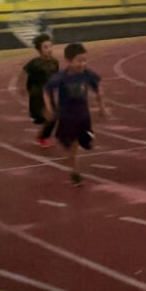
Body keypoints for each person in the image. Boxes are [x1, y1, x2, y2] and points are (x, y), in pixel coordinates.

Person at [44, 43, 108, 186]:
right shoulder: (61, 77)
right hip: (67, 117)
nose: (82, 64)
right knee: (74, 145)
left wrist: (101, 106)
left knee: (85, 143)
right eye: (79, 60)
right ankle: (76, 173)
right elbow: (47, 91)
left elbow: (98, 88)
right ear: (68, 60)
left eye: (85, 60)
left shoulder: (87, 74)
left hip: (84, 116)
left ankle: (75, 152)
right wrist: (49, 108)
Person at [23, 33, 60, 147]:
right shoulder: (34, 63)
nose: (49, 49)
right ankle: (43, 137)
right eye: (45, 47)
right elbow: (23, 76)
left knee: (53, 117)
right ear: (39, 50)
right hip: (38, 94)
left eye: (50, 46)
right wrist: (26, 89)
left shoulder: (54, 62)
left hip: (49, 94)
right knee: (49, 116)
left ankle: (42, 136)